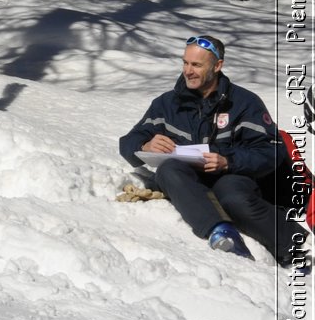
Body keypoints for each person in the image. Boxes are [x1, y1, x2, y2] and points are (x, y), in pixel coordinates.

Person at [117, 35, 305, 266]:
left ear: (217, 66)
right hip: (187, 180)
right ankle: (222, 233)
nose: (188, 71)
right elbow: (128, 142)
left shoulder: (245, 103)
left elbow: (271, 151)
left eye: (196, 65)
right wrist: (144, 145)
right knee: (168, 170)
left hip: (233, 176)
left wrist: (228, 162)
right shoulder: (166, 103)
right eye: (185, 63)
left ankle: (294, 244)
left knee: (231, 194)